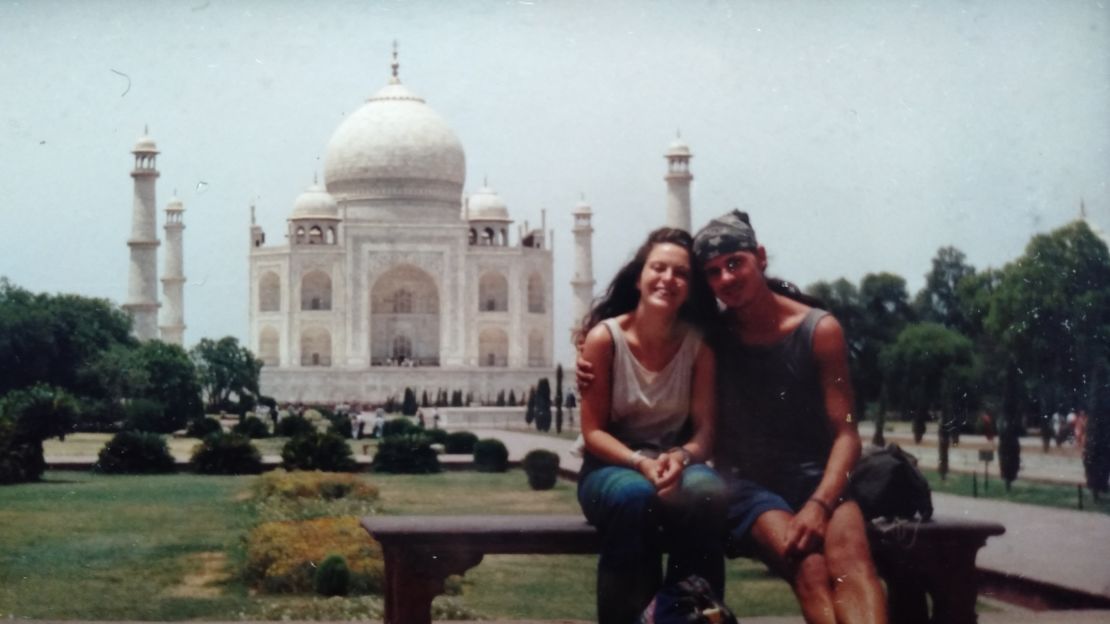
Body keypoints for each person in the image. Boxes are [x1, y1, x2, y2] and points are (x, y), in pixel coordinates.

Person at [693, 210, 886, 624]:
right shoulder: (715, 342)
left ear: (759, 258)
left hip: (817, 478)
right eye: (713, 272)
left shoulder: (818, 330)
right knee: (809, 567)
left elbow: (846, 434)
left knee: (852, 564)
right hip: (748, 488)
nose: (726, 277)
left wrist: (819, 503)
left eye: (734, 263)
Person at [575, 227, 726, 624]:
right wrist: (641, 463)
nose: (668, 280)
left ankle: (688, 616)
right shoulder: (604, 339)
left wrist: (679, 456)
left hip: (675, 463)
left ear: (691, 286)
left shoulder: (699, 346)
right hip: (612, 466)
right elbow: (593, 433)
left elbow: (705, 434)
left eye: (681, 273)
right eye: (658, 268)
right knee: (633, 498)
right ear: (640, 275)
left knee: (708, 491)